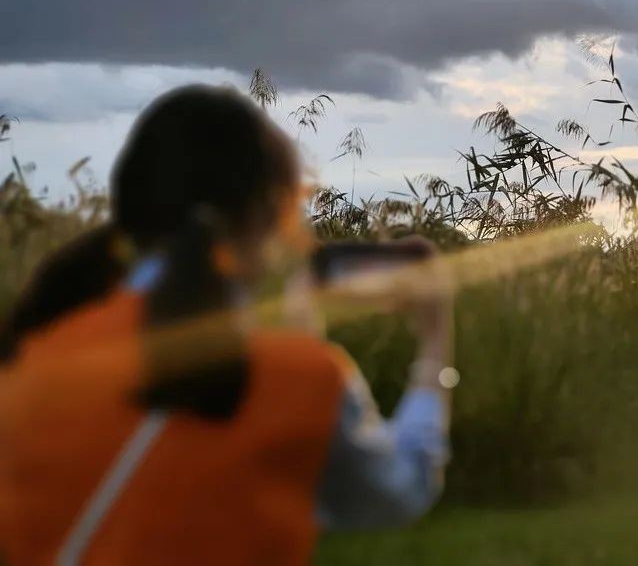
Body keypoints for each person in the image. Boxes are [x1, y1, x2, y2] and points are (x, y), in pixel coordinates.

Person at [0, 85, 454, 565]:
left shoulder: (25, 359)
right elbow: (402, 488)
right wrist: (435, 343)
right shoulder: (302, 379)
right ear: (267, 216)